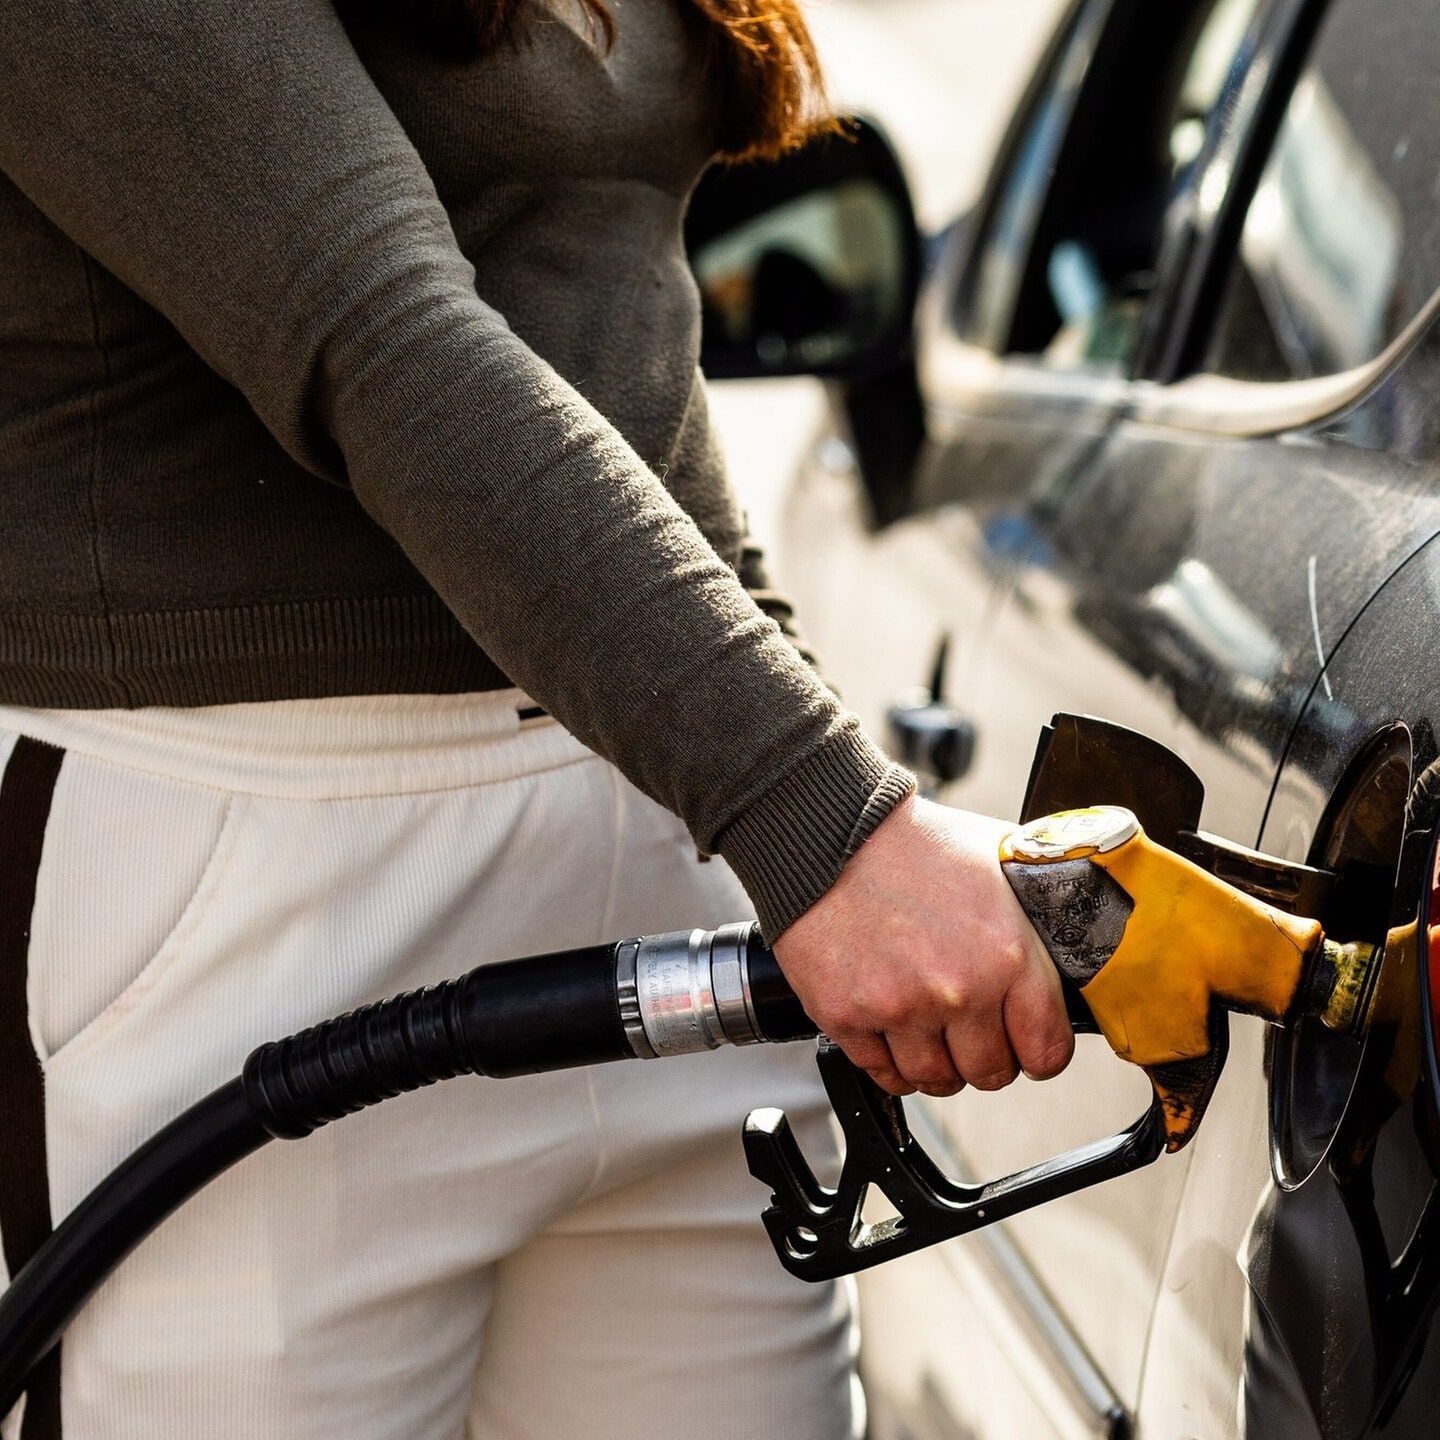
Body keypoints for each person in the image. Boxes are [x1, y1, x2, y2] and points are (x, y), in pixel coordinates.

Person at [0, 2, 1073, 1437]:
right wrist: (818, 816)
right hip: (263, 893)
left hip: (665, 857)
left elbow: (627, 349)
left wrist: (806, 788)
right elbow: (378, 331)